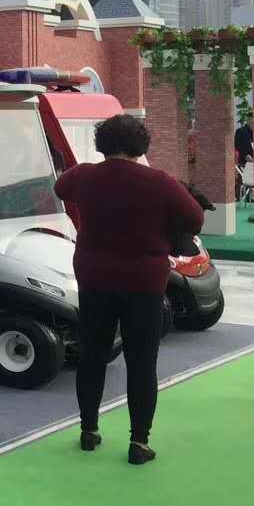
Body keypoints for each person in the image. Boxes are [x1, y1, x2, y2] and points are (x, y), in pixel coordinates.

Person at [55, 114, 205, 465]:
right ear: (140, 145)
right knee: (141, 362)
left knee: (93, 354)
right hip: (143, 282)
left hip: (94, 277)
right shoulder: (160, 182)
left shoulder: (84, 176)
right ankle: (139, 442)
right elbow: (195, 219)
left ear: (102, 143)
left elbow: (61, 189)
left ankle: (89, 430)